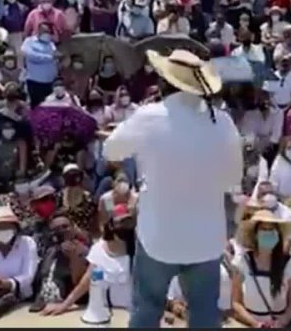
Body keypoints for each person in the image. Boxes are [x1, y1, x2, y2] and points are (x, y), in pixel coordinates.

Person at [102, 49, 242, 328]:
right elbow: (232, 180)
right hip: (206, 239)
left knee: (147, 309)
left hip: (159, 236)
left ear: (165, 83)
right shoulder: (222, 122)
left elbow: (110, 150)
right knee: (204, 313)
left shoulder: (149, 115)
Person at [41, 204, 136, 315]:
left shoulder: (139, 252)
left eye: (129, 223)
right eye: (121, 223)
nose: (126, 227)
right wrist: (64, 305)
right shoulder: (98, 250)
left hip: (131, 312)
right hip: (104, 312)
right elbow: (85, 282)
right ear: (110, 225)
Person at [230, 210, 291, 327]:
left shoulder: (289, 263)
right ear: (255, 234)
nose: (268, 233)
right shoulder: (242, 261)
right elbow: (236, 302)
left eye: (272, 229)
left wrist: (280, 323)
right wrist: (255, 324)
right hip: (248, 324)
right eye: (263, 229)